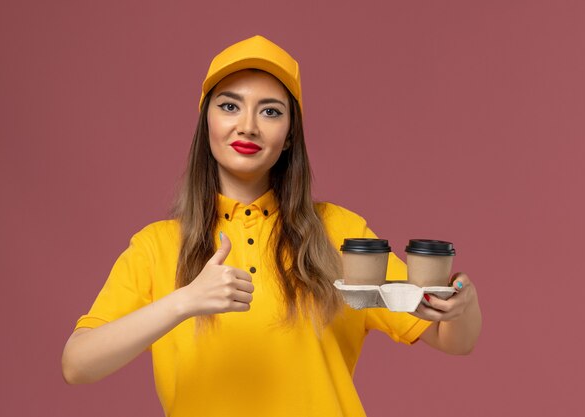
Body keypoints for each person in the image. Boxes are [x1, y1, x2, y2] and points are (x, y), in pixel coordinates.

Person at [62, 35, 482, 416]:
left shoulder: (339, 232)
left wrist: (464, 303)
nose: (248, 124)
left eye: (270, 111)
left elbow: (454, 340)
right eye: (229, 105)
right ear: (206, 121)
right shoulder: (156, 246)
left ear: (290, 135)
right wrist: (184, 301)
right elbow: (78, 364)